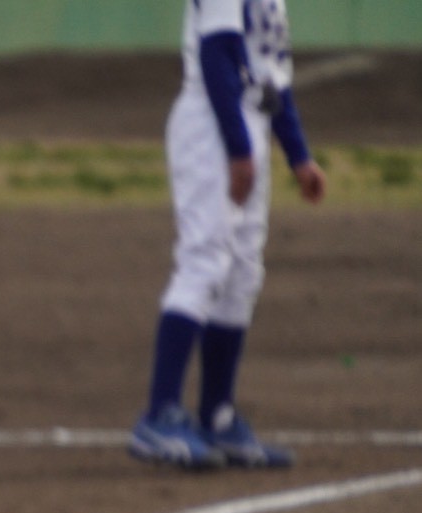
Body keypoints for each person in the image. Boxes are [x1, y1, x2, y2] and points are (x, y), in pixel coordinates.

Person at [129, 0, 326, 469]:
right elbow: (216, 50)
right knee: (205, 262)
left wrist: (299, 156)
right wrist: (238, 149)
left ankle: (217, 417)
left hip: (249, 123)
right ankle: (159, 415)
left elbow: (271, 79)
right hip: (211, 124)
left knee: (242, 273)